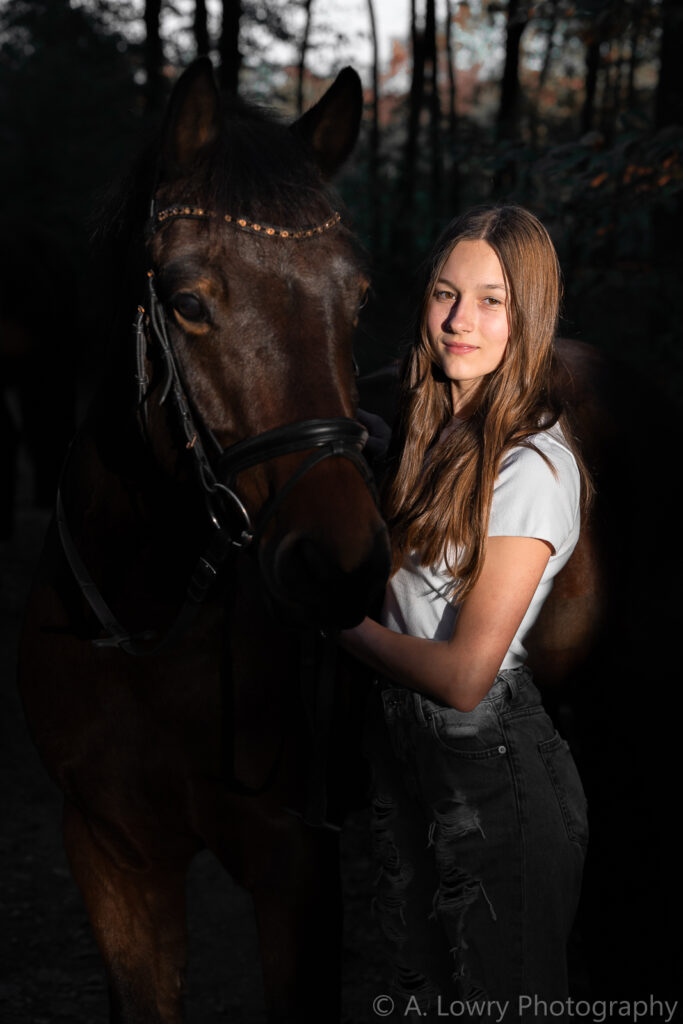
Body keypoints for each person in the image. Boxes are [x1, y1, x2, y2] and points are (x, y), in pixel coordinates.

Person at [343, 205, 591, 1020]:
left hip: (492, 771)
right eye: (445, 294)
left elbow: (462, 677)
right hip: (408, 756)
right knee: (417, 999)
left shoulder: (530, 468)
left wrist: (335, 622)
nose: (458, 321)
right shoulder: (431, 437)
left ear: (530, 315)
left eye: (491, 301)